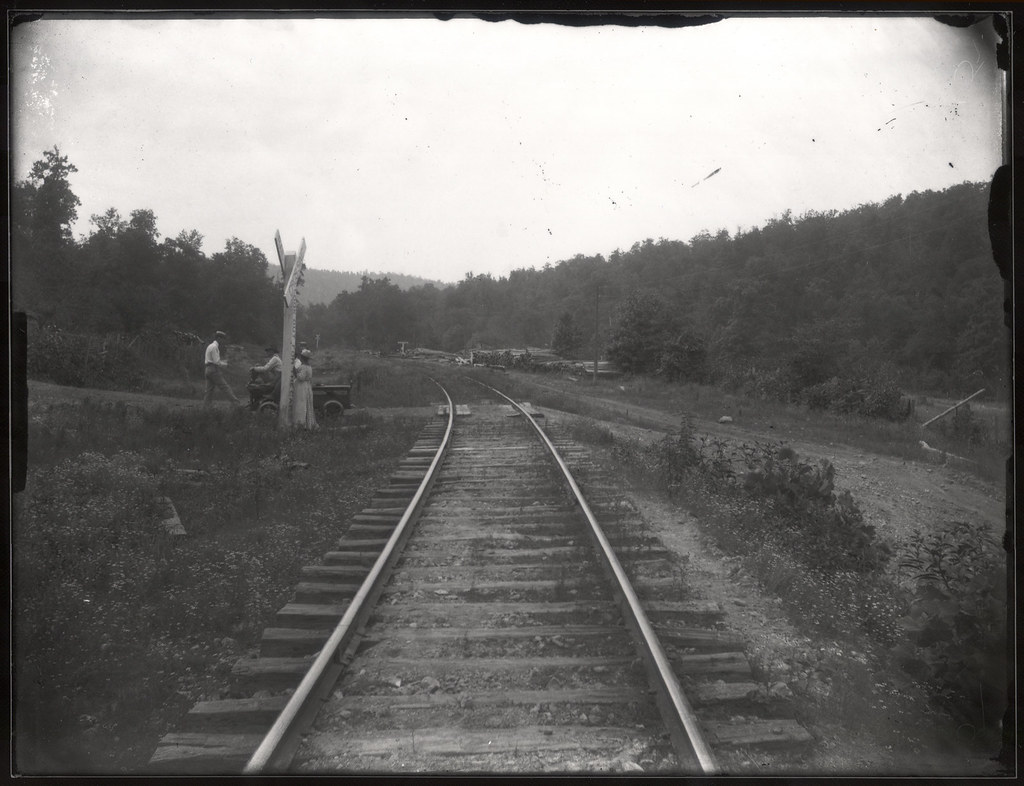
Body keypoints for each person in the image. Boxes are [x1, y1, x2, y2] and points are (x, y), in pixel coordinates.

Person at [203, 330, 244, 407]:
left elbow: (213, 360)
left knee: (208, 391)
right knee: (225, 387)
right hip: (213, 370)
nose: (223, 341)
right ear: (218, 338)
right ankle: (236, 404)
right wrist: (226, 364)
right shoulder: (215, 347)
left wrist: (224, 362)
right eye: (222, 339)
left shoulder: (210, 346)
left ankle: (206, 407)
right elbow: (216, 362)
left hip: (207, 369)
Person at [291, 349, 318, 430]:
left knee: (301, 404)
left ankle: (300, 424)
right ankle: (306, 422)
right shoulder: (309, 367)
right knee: (307, 403)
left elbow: (301, 378)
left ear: (302, 358)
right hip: (307, 386)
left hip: (301, 386)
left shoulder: (303, 367)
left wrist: (294, 371)